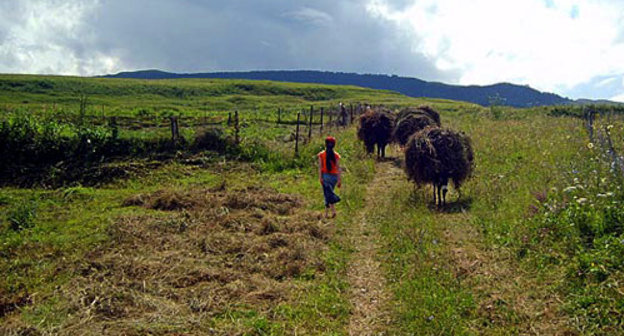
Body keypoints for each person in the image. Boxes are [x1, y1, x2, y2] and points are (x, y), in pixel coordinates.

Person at [318, 136, 341, 218]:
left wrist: (320, 177)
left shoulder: (321, 155)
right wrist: (339, 180)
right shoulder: (336, 155)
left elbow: (320, 167)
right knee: (329, 194)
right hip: (334, 177)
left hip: (325, 176)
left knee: (327, 195)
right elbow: (338, 168)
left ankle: (327, 213)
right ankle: (333, 211)